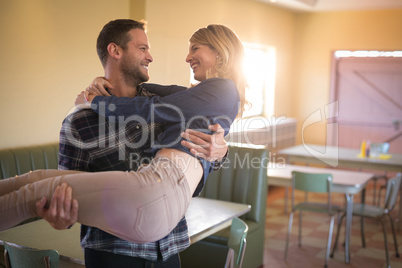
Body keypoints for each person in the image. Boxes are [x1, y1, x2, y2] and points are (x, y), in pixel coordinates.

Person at [0, 21, 247, 266]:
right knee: (38, 181)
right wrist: (60, 218)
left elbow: (195, 149)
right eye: (142, 48)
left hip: (167, 249)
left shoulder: (166, 107)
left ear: (219, 52)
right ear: (115, 51)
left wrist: (221, 151)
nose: (151, 56)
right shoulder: (79, 120)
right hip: (112, 254)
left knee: (35, 191)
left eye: (194, 49)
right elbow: (68, 192)